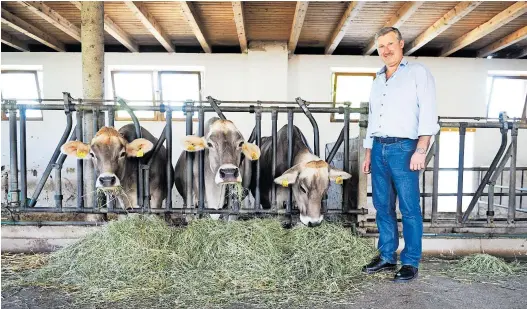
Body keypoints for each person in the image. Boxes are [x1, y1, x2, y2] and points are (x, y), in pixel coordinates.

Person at [361, 27, 439, 282]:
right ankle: (386, 256)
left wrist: (421, 149)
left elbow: (428, 112)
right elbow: (373, 119)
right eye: (381, 46)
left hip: (405, 148)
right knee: (382, 205)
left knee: (409, 208)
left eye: (390, 44)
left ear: (401, 44)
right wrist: (369, 151)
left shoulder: (417, 73)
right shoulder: (377, 79)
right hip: (380, 147)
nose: (386, 50)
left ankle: (410, 261)